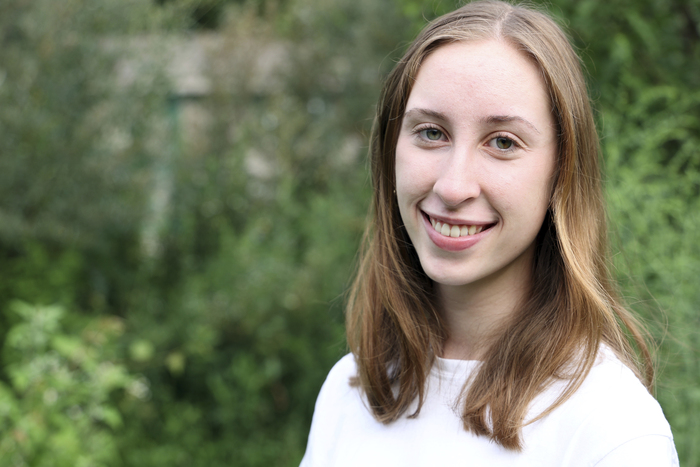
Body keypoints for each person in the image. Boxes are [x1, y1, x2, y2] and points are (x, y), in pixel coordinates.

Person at [300, 1, 678, 465]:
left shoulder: (611, 428)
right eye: (431, 133)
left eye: (503, 142)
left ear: (562, 171)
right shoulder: (350, 391)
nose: (453, 186)